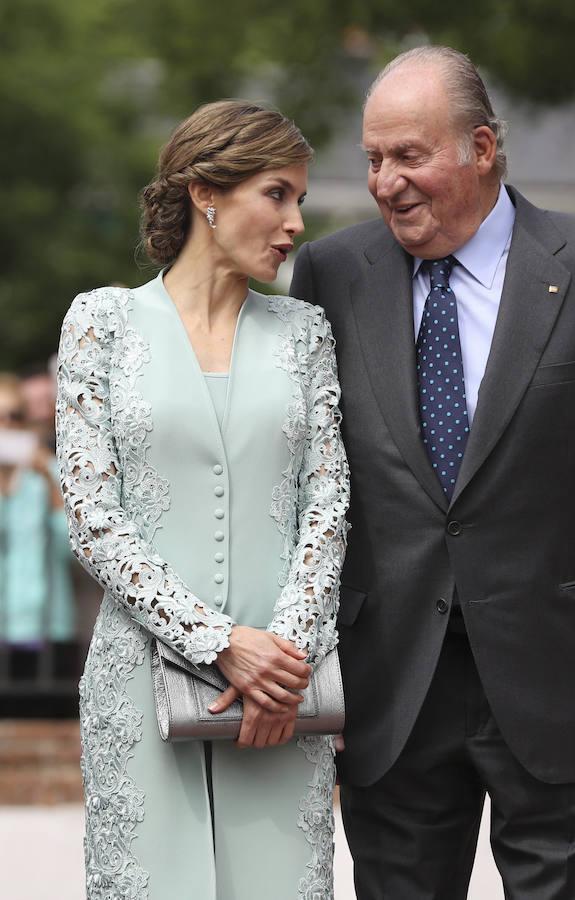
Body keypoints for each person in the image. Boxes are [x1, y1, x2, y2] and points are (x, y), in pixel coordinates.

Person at [290, 46, 575, 899]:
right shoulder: (332, 275)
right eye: (373, 159)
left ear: (481, 148)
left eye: (410, 156)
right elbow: (305, 483)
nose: (385, 181)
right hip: (389, 687)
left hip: (567, 678)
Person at [55, 100, 349, 900]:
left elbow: (329, 501)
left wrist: (279, 665)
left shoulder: (305, 332)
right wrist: (220, 642)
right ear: (205, 193)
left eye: (299, 200)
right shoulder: (101, 323)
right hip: (139, 685)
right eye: (277, 193)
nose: (295, 223)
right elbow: (90, 518)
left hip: (283, 701)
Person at [0, 373, 74, 657]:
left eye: (13, 415)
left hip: (49, 627)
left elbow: (72, 552)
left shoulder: (48, 472)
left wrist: (49, 482)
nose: (5, 425)